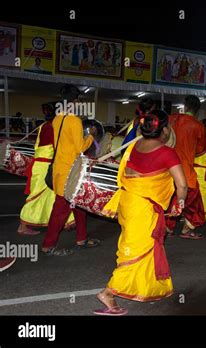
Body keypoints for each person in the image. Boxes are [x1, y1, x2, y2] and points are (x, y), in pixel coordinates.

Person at [95, 110, 187, 316]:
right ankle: (108, 292)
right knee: (139, 250)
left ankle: (148, 286)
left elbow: (128, 172)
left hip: (128, 203)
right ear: (164, 130)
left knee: (135, 246)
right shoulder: (167, 152)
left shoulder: (135, 146)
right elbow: (182, 185)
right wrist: (180, 204)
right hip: (144, 208)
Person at [41, 85, 99, 256]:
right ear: (74, 102)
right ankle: (48, 245)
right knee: (60, 209)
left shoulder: (57, 119)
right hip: (70, 172)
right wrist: (91, 136)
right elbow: (80, 147)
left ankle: (81, 238)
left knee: (78, 204)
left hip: (59, 167)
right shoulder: (74, 120)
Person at [18, 103, 74, 235]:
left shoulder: (45, 125)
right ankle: (23, 226)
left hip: (42, 164)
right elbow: (58, 147)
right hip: (45, 166)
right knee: (37, 195)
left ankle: (63, 222)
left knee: (52, 195)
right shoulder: (52, 127)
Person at [166, 95, 206, 239]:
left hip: (166, 169)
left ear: (185, 106)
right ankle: (187, 229)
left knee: (170, 198)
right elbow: (200, 150)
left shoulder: (171, 119)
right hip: (184, 170)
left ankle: (167, 227)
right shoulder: (197, 126)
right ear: (197, 109)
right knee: (194, 203)